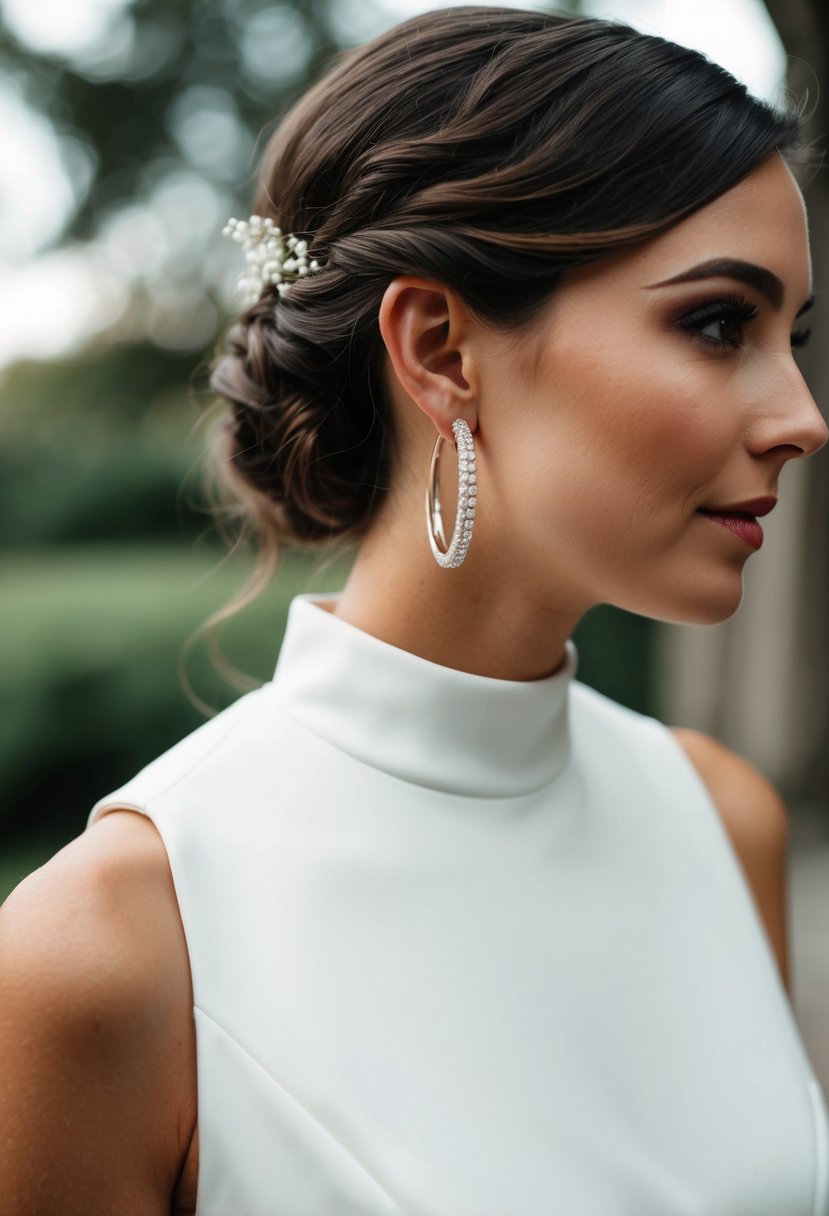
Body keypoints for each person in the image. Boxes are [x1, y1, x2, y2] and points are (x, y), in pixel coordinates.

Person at [2, 6, 828, 1214]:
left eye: (791, 336)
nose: (802, 415)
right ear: (439, 347)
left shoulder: (722, 818)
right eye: (718, 323)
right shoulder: (111, 949)